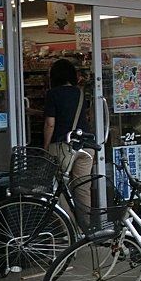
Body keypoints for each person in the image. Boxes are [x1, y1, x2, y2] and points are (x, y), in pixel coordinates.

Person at [42, 58, 93, 211]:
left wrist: (45, 147)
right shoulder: (80, 93)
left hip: (64, 146)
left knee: (61, 188)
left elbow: (50, 123)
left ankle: (69, 228)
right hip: (86, 147)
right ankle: (86, 227)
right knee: (83, 188)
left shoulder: (53, 94)